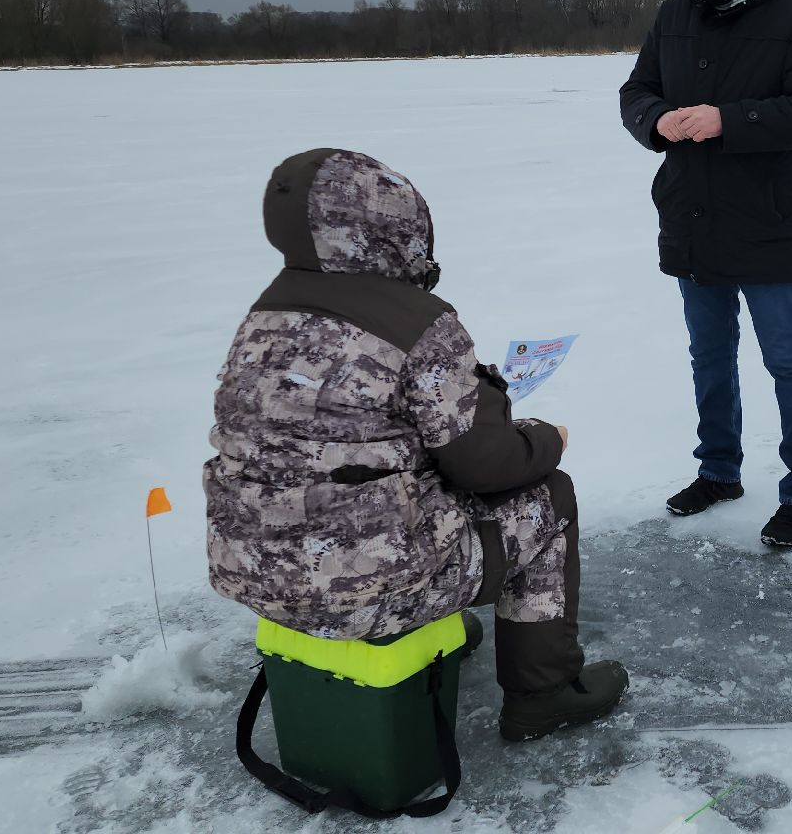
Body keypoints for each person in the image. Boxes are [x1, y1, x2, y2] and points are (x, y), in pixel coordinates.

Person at [202, 148, 626, 741]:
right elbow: (487, 465)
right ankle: (545, 694)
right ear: (399, 225)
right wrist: (545, 440)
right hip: (358, 589)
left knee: (407, 484)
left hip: (255, 574)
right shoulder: (417, 322)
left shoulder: (263, 317)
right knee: (548, 499)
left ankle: (431, 620)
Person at [619, 0, 792, 548]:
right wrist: (655, 120)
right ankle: (718, 471)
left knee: (788, 362)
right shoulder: (673, 14)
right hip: (691, 215)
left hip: (764, 219)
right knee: (709, 359)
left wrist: (728, 119)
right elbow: (637, 91)